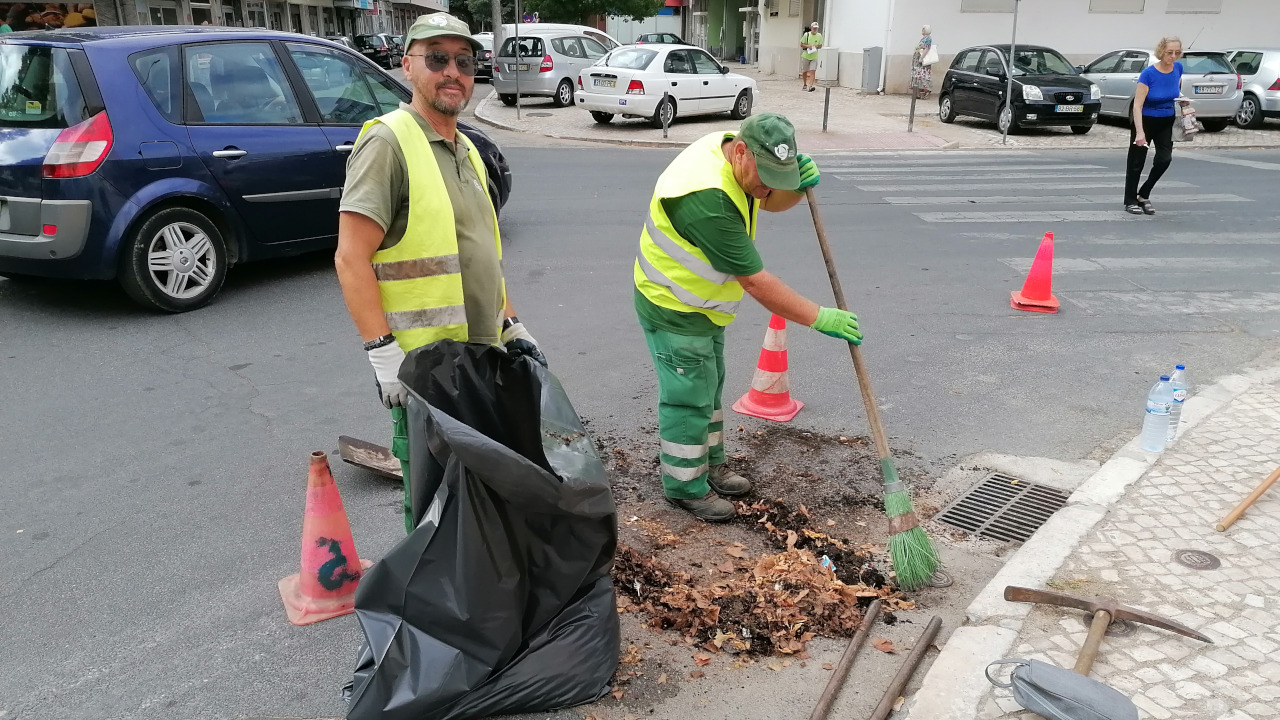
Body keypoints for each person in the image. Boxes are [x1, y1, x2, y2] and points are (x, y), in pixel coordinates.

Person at [335, 12, 545, 533]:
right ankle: (429, 607)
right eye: (437, 59)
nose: (452, 72)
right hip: (425, 371)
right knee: (433, 505)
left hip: (481, 362)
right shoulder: (388, 143)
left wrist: (512, 323)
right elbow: (350, 256)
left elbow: (480, 254)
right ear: (407, 66)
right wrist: (381, 352)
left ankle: (474, 598)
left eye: (464, 61)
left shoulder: (467, 147)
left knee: (476, 498)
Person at [633, 113, 863, 522]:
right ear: (741, 152)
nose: (768, 188)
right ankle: (684, 485)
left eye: (781, 176)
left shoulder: (729, 151)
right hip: (675, 306)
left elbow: (769, 200)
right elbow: (756, 282)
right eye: (767, 176)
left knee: (710, 386)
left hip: (704, 307)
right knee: (689, 398)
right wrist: (818, 317)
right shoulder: (706, 201)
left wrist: (794, 187)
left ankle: (711, 464)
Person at [1125, 36, 1184, 216]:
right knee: (1137, 162)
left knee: (1164, 159)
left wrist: (1183, 101)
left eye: (1176, 52)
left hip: (1167, 120)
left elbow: (1175, 90)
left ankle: (1144, 194)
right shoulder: (1148, 74)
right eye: (1169, 52)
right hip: (1145, 120)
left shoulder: (1178, 69)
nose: (1173, 56)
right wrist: (1140, 133)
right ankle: (1130, 200)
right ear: (1161, 52)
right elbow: (1137, 105)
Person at [799, 22, 822, 92]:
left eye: (816, 28)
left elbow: (820, 45)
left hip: (814, 56)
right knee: (805, 71)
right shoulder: (807, 35)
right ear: (811, 28)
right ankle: (805, 84)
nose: (815, 29)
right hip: (806, 55)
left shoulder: (819, 36)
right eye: (814, 28)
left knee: (812, 71)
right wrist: (808, 46)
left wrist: (815, 46)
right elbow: (801, 44)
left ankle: (810, 86)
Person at [912, 25, 934, 99]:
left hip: (922, 61)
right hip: (918, 60)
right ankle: (918, 93)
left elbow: (927, 49)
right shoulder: (924, 38)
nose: (922, 31)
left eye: (923, 29)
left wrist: (921, 58)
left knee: (923, 76)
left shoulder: (928, 39)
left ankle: (926, 91)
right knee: (918, 76)